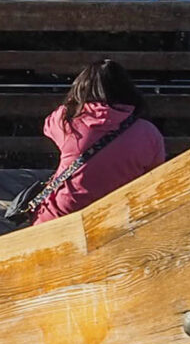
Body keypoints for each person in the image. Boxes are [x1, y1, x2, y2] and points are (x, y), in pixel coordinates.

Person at [31, 59, 167, 224]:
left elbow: (48, 127)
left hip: (60, 216)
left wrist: (74, 104)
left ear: (82, 88)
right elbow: (155, 177)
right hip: (116, 221)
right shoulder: (149, 133)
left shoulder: (67, 120)